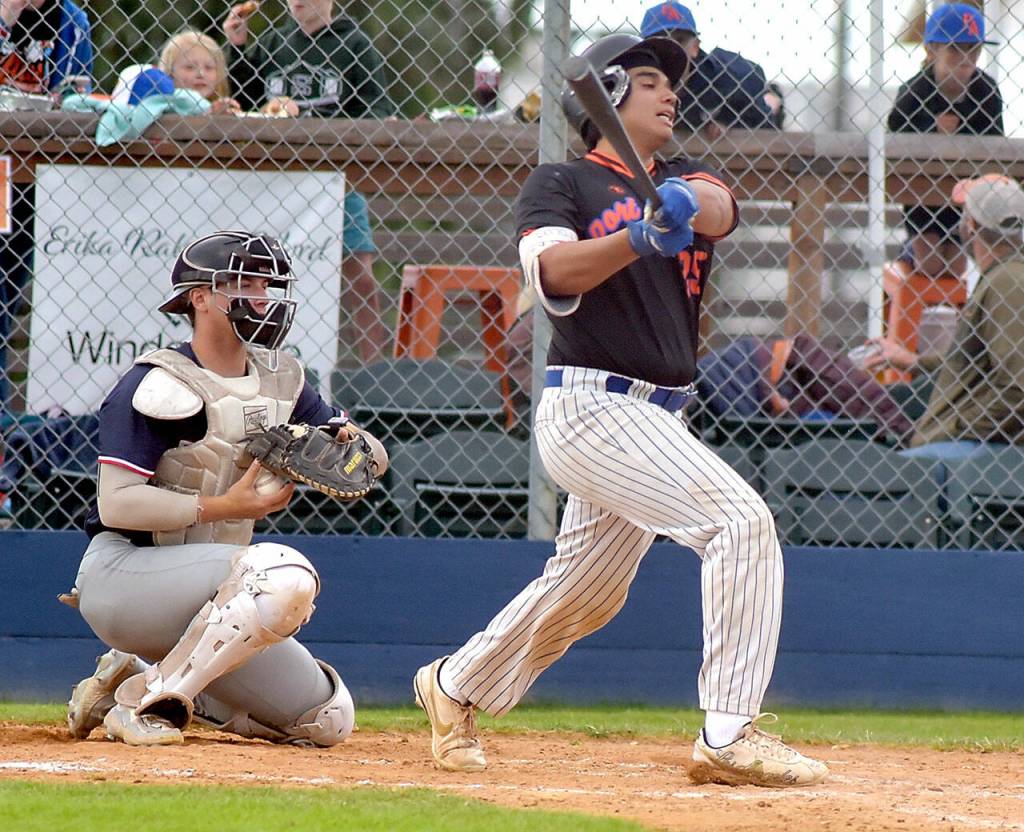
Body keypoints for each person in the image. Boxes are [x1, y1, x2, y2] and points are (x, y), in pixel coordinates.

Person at [411, 33, 828, 788]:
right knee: (740, 521)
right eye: (645, 81)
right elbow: (550, 272)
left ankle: (455, 684)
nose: (669, 92)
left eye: (669, 82)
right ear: (602, 96)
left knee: (589, 592)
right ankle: (730, 731)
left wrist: (678, 202)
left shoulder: (684, 175)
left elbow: (721, 209)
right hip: (592, 408)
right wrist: (635, 238)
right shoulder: (562, 183)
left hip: (661, 418)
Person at [63, 230, 379, 747]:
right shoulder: (160, 381)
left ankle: (133, 677)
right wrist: (226, 505)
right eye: (242, 282)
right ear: (200, 297)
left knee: (327, 720)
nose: (259, 295)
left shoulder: (283, 380)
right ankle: (145, 707)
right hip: (125, 576)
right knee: (283, 575)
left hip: (218, 594)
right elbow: (116, 503)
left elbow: (358, 451)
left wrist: (349, 446)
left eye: (265, 283)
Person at [222, 0, 393, 363]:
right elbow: (242, 102)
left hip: (335, 179)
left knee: (359, 275)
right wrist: (237, 46)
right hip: (274, 180)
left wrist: (317, 126)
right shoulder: (271, 43)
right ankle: (250, 359)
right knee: (257, 274)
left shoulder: (355, 44)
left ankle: (376, 371)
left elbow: (376, 110)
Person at [863, 174, 1024, 462]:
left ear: (971, 227)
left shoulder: (1007, 283)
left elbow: (1018, 389)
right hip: (972, 444)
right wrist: (912, 360)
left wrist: (956, 427)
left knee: (885, 476)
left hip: (974, 449)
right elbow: (976, 360)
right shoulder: (1003, 276)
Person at [0, 0, 93, 412]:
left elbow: (76, 98)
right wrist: (7, 17)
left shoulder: (70, 18)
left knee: (9, 295)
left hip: (33, 177)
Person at [887, 3, 1003, 281]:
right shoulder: (916, 90)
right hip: (921, 195)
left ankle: (942, 321)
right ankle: (908, 252)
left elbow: (995, 140)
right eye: (955, 49)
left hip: (963, 194)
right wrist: (929, 130)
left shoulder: (985, 91)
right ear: (931, 50)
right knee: (929, 264)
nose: (966, 60)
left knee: (955, 269)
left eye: (973, 50)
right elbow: (895, 130)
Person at [639, 1, 783, 139]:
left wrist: (727, 119)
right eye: (659, 40)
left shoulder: (721, 74)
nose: (671, 48)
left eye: (680, 40)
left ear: (695, 47)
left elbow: (753, 78)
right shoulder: (634, 79)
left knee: (769, 103)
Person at [158, 29, 241, 115]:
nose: (201, 74)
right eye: (190, 67)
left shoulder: (224, 111)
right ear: (169, 72)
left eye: (209, 67)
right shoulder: (160, 108)